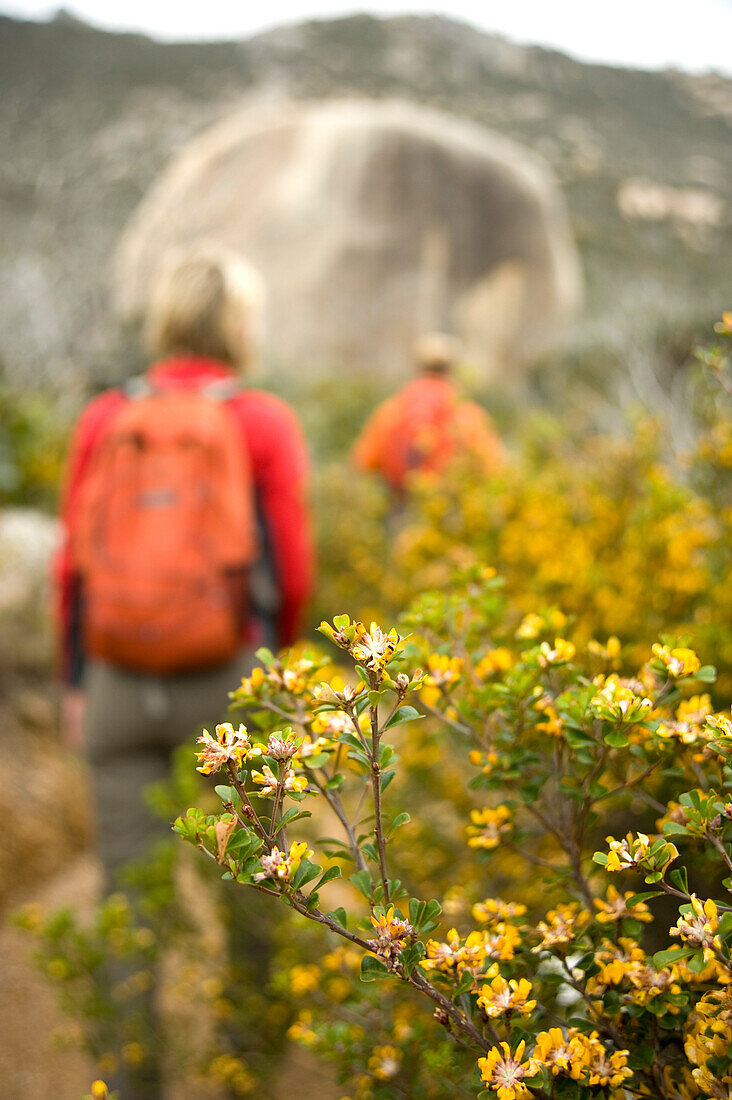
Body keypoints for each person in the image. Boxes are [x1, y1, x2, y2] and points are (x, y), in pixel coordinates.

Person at [53, 247, 313, 1098]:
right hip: (230, 679)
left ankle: (131, 1081)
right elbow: (295, 565)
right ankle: (246, 1069)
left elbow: (72, 568)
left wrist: (76, 683)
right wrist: (281, 666)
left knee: (129, 898)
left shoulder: (105, 417)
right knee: (256, 885)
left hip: (118, 680)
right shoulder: (262, 420)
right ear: (238, 322)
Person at [352, 331, 504, 493]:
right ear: (451, 368)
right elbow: (493, 467)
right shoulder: (467, 413)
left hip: (403, 502)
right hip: (451, 504)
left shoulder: (392, 409)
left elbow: (364, 462)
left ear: (418, 366)